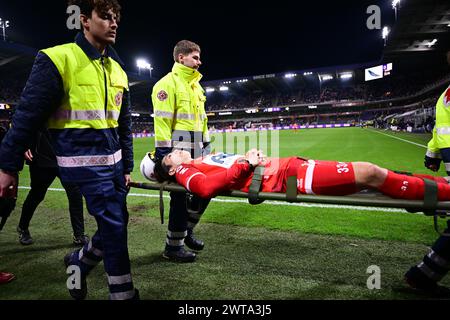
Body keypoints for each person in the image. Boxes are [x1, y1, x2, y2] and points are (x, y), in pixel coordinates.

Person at [0, 0, 138, 300]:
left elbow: (123, 124)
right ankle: (124, 295)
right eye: (105, 17)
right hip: (81, 164)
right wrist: (8, 166)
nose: (113, 23)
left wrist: (126, 166)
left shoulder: (118, 69)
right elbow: (26, 116)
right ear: (85, 21)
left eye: (116, 18)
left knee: (118, 221)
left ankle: (80, 262)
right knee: (115, 227)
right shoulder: (57, 58)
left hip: (114, 167)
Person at [146, 149, 450, 203]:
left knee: (376, 178)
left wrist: (247, 159)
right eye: (168, 157)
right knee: (370, 173)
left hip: (289, 169)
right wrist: (247, 163)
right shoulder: (186, 172)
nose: (173, 152)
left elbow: (224, 172)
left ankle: (442, 187)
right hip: (288, 176)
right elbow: (206, 188)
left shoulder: (195, 161)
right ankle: (444, 192)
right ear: (170, 169)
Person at [151, 40, 211, 262]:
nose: (199, 61)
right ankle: (173, 247)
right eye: (195, 57)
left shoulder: (197, 86)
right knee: (179, 197)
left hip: (198, 144)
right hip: (178, 145)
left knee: (205, 190)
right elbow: (162, 123)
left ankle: (186, 231)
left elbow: (202, 120)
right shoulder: (166, 84)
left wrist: (206, 145)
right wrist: (165, 155)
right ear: (181, 58)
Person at [404, 50, 450, 298]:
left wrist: (432, 154)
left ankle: (422, 275)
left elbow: (438, 130)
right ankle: (421, 276)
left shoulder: (444, 96)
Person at [17, 129, 89, 246]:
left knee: (75, 194)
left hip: (67, 157)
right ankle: (23, 227)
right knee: (37, 194)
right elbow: (26, 120)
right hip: (42, 155)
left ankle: (79, 235)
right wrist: (25, 145)